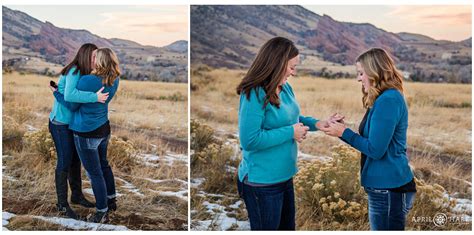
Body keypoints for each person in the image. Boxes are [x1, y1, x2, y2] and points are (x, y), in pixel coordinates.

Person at [235, 37, 341, 230]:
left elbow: (292, 118)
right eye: (291, 67)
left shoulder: (285, 88)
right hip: (262, 182)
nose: (294, 72)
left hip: (284, 176)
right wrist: (290, 132)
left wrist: (318, 123)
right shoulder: (253, 93)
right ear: (276, 63)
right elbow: (250, 140)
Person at [321, 48, 416, 230]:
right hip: (386, 186)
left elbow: (375, 149)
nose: (358, 79)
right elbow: (374, 138)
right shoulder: (384, 98)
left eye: (361, 73)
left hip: (388, 187)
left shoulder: (388, 100)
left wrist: (344, 132)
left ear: (374, 71)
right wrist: (341, 129)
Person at [53, 47, 120, 223]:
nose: (93, 60)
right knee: (104, 165)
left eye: (95, 57)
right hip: (104, 128)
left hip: (86, 132)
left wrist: (57, 94)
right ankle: (111, 199)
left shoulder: (87, 80)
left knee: (94, 173)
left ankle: (101, 211)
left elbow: (73, 106)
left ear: (100, 61)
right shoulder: (115, 78)